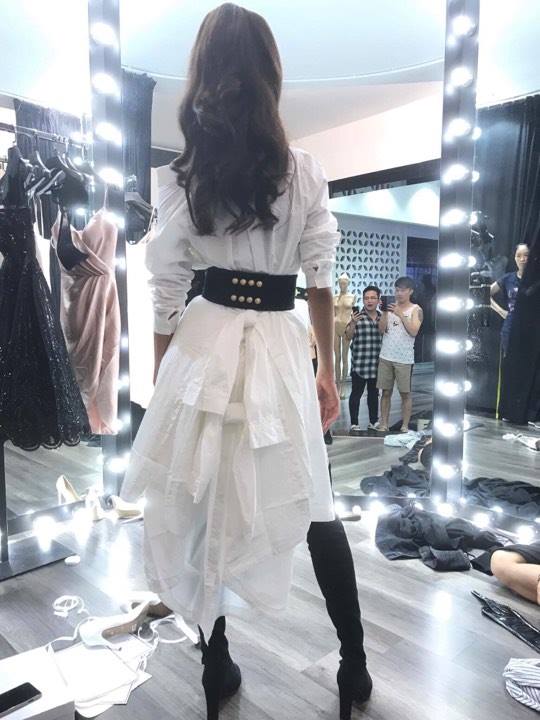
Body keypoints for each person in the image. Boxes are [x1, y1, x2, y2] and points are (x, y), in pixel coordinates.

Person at [119, 5, 371, 719]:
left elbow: (166, 292)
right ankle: (353, 664)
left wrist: (164, 378)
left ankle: (217, 665)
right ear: (270, 75)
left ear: (204, 75)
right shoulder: (305, 172)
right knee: (314, 499)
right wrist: (326, 370)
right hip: (280, 344)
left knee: (200, 500)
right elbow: (319, 278)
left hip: (204, 344)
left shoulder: (181, 179)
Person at [376, 276, 423, 433]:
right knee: (385, 392)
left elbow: (413, 331)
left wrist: (401, 314)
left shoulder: (416, 309)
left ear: (410, 291)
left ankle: (405, 425)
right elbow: (381, 330)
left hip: (404, 358)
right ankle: (384, 424)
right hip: (386, 356)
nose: (399, 293)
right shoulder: (390, 308)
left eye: (402, 290)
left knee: (405, 393)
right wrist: (384, 313)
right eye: (397, 290)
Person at [345, 285, 382, 431]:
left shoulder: (382, 317)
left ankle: (373, 421)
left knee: (374, 394)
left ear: (378, 300)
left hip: (376, 364)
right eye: (366, 298)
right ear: (363, 300)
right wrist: (353, 323)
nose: (369, 301)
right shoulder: (357, 317)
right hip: (359, 364)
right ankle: (354, 423)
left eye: (373, 298)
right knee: (356, 394)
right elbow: (348, 336)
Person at [490, 243, 529, 355]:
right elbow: (485, 294)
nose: (522, 259)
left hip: (533, 328)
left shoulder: (536, 280)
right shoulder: (508, 278)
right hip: (510, 328)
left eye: (526, 255)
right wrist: (501, 311)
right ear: (514, 258)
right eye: (518, 255)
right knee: (509, 360)